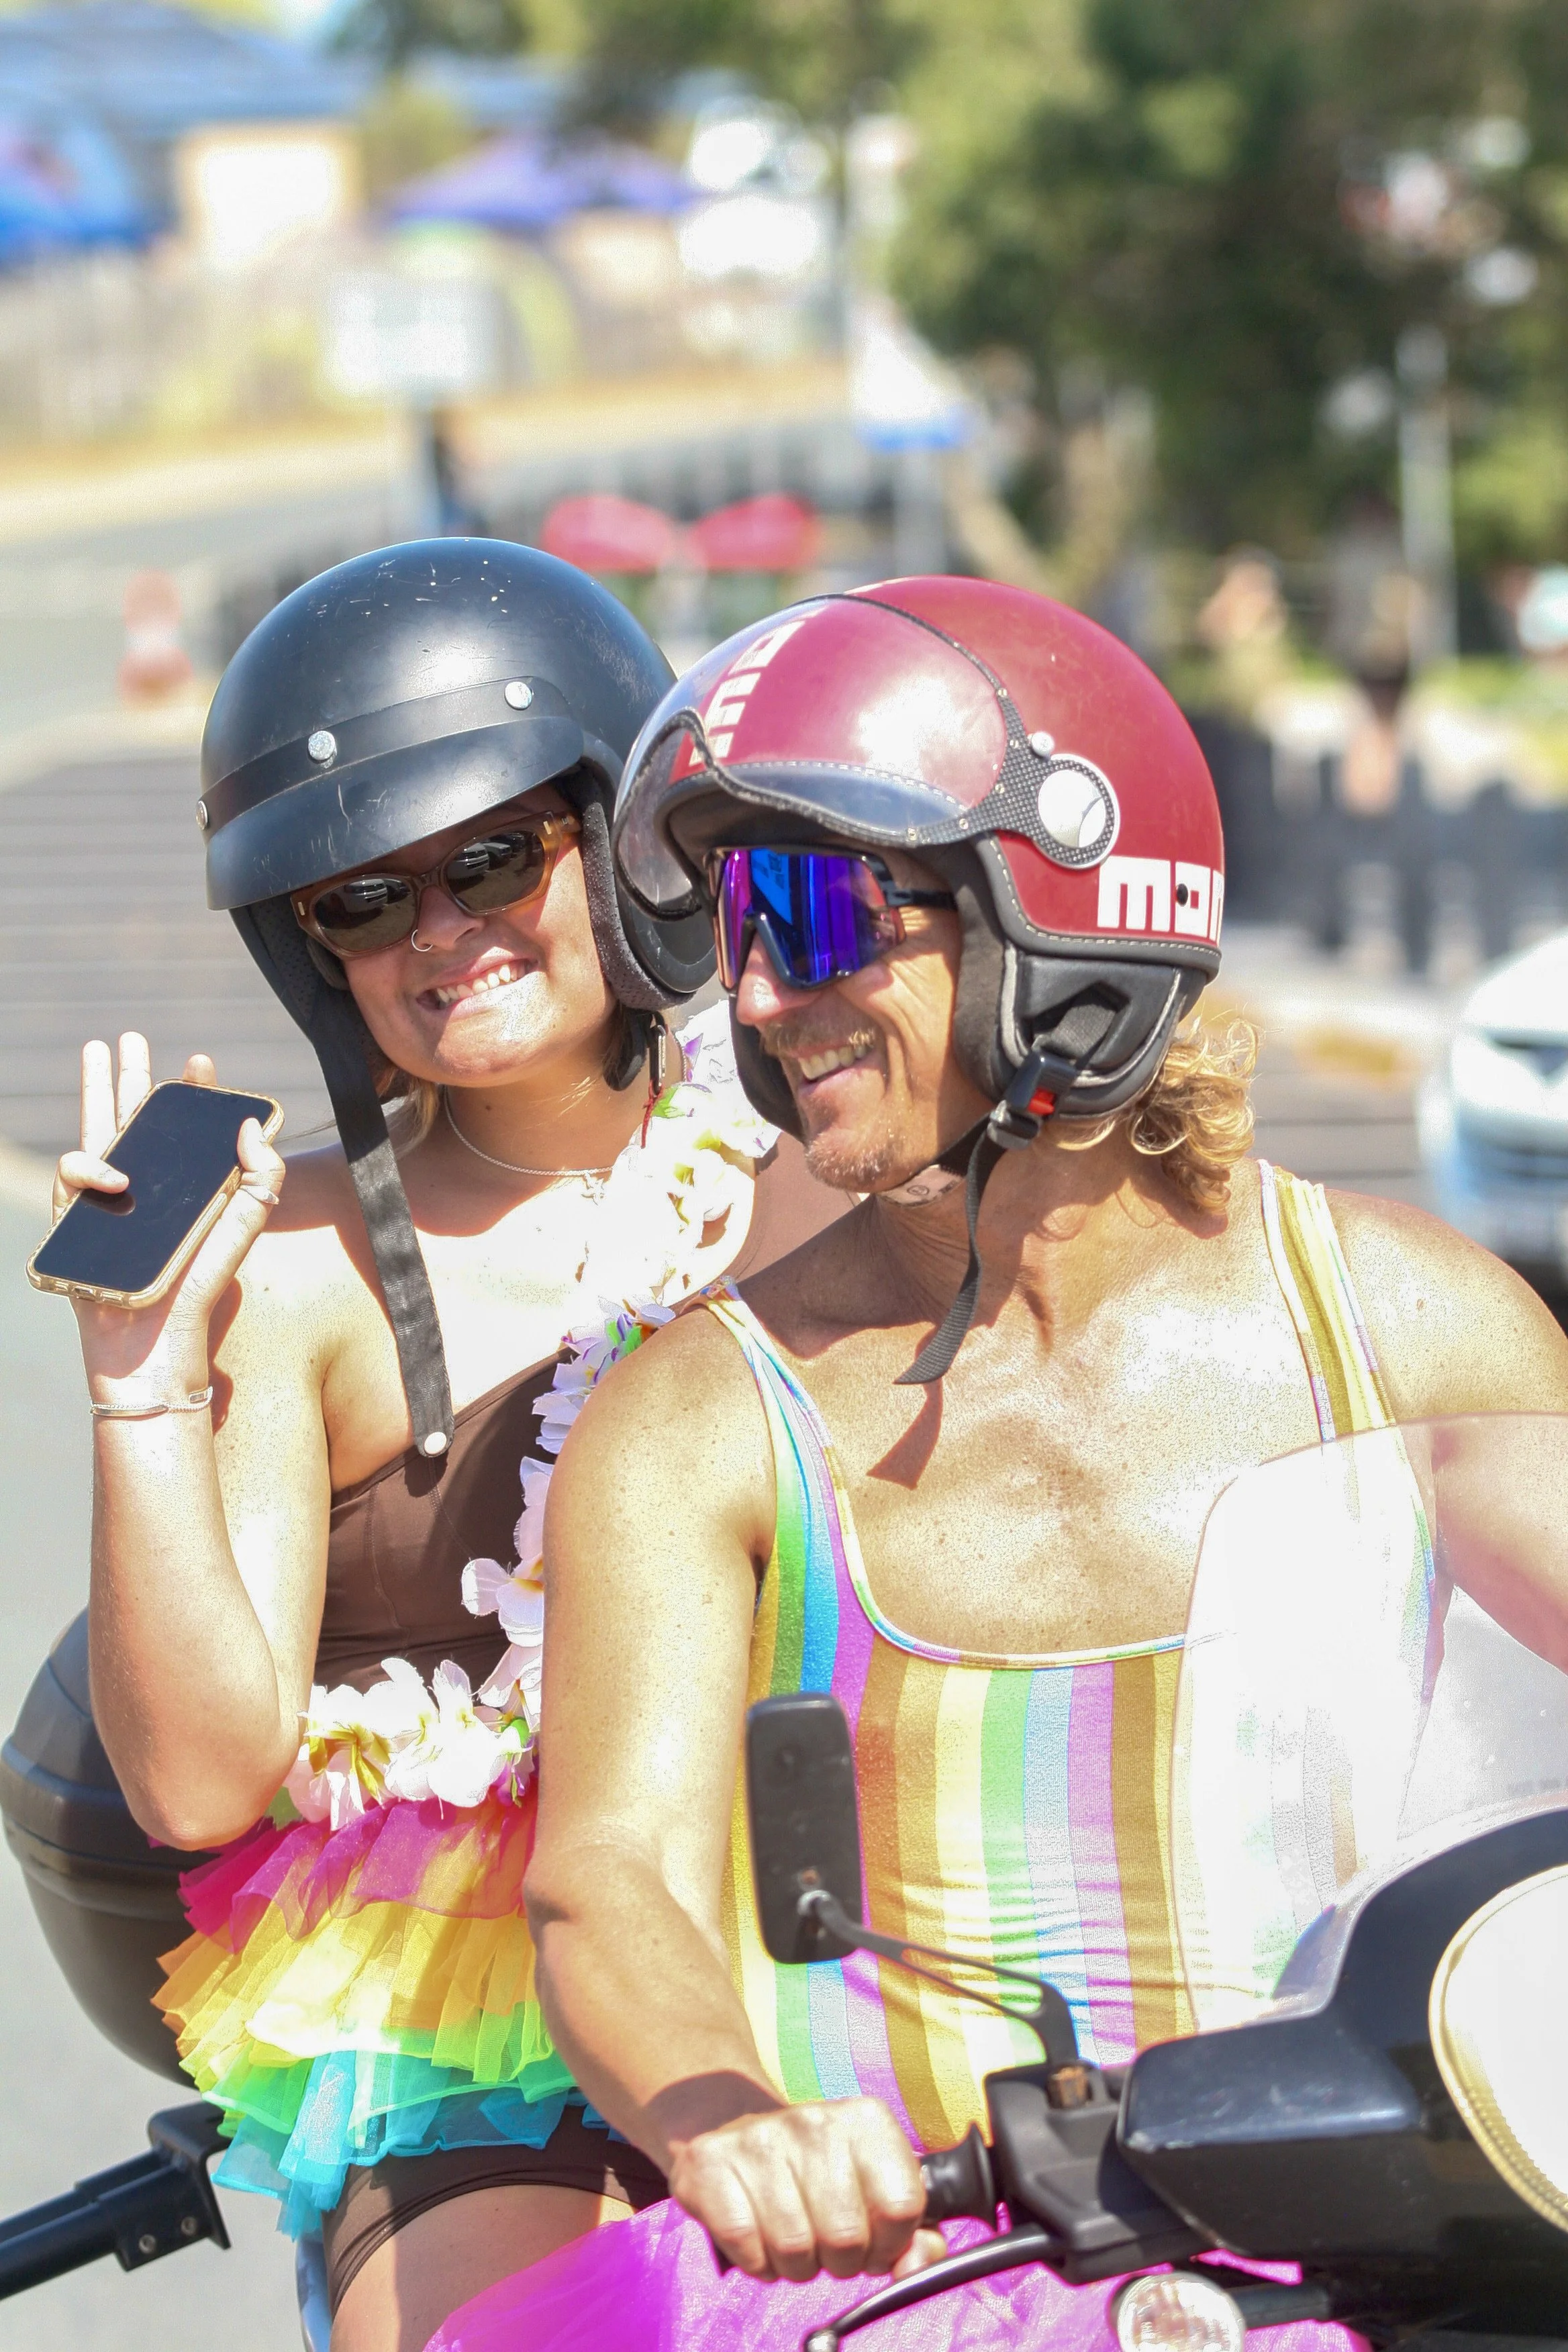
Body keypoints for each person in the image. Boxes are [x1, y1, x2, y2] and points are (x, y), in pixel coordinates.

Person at [429, 577, 1568, 2352]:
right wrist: (732, 2119)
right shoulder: (703, 1423)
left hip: (1387, 2255)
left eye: (810, 910)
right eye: (731, 921)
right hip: (925, 2275)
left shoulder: (1410, 1331)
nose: (755, 991)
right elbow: (614, 1881)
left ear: (1062, 911)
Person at [52, 541, 842, 2352]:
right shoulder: (292, 1264)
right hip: (478, 2033)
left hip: (840, 1925)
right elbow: (196, 1787)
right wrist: (140, 1376)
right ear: (309, 950)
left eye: (493, 858)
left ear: (616, 838)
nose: (441, 932)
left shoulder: (828, 1141)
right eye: (363, 901)